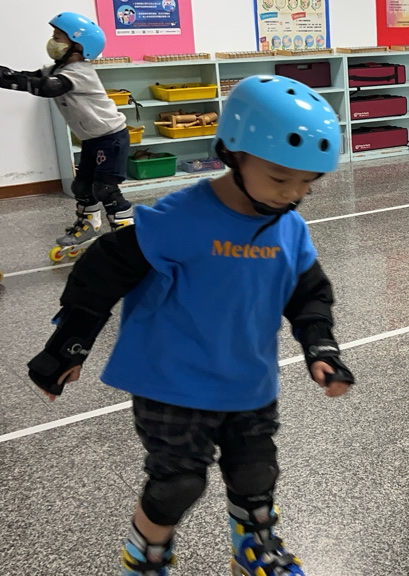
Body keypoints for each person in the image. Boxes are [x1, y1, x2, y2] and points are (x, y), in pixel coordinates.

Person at [26, 75, 354, 576]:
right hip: (171, 385)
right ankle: (145, 558)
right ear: (233, 153)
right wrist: (68, 346)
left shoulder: (288, 228)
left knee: (256, 474)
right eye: (280, 177)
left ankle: (254, 548)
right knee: (177, 485)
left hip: (249, 382)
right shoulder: (180, 218)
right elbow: (102, 272)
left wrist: (320, 346)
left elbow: (307, 292)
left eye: (307, 183)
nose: (293, 194)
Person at [0, 12, 135, 263]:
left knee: (104, 188)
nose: (52, 42)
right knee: (82, 187)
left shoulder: (80, 72)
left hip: (111, 137)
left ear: (78, 46)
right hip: (92, 139)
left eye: (58, 37)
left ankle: (127, 234)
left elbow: (47, 87)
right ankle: (89, 224)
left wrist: (18, 80)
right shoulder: (58, 69)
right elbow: (29, 77)